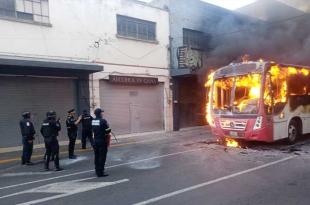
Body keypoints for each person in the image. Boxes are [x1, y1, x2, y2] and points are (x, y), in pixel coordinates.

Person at [92, 108, 111, 177]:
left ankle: (97, 170)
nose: (102, 113)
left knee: (96, 156)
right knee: (102, 157)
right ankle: (100, 172)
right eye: (102, 112)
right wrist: (108, 125)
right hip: (102, 141)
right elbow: (108, 130)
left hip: (95, 141)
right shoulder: (103, 121)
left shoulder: (93, 121)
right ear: (99, 113)